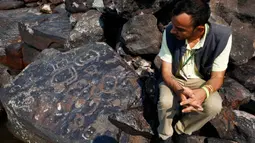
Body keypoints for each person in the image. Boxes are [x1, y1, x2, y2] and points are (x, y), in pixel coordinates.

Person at [156, 0, 232, 142]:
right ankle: (164, 134)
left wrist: (203, 93)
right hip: (174, 77)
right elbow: (166, 72)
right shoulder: (169, 32)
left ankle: (182, 128)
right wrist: (178, 89)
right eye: (173, 25)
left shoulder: (222, 37)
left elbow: (217, 77)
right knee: (165, 102)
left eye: (180, 29)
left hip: (201, 80)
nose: (173, 31)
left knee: (213, 106)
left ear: (199, 30)